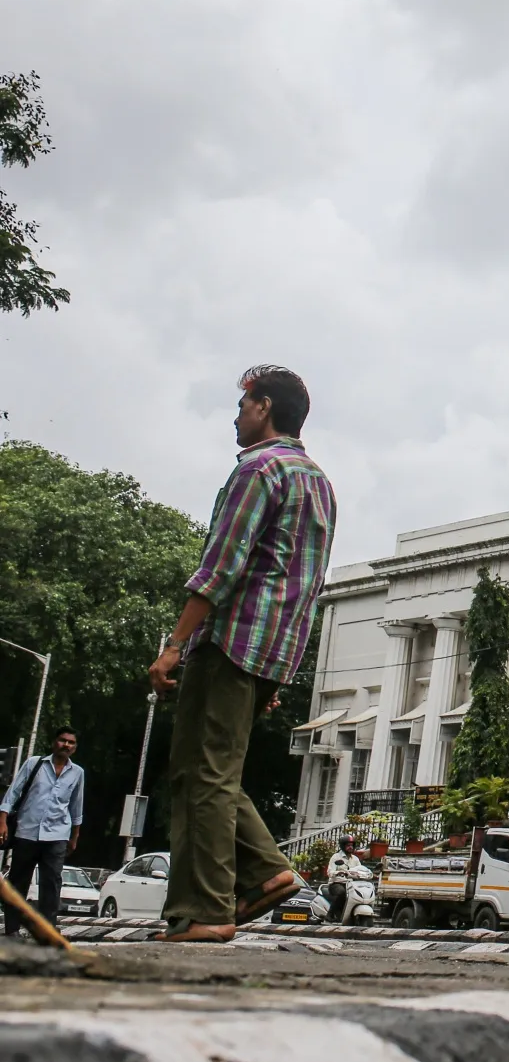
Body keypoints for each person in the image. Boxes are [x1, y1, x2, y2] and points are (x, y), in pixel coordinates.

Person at [147, 366, 336, 942]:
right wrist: (278, 673)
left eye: (243, 405)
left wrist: (175, 644)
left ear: (265, 407)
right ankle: (265, 871)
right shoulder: (319, 481)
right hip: (274, 650)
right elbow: (305, 581)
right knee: (211, 771)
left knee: (201, 775)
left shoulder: (260, 469)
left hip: (230, 642)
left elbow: (221, 567)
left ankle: (204, 910)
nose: (236, 415)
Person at [0, 728, 85, 936]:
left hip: (57, 835)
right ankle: (12, 929)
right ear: (54, 742)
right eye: (63, 740)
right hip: (27, 832)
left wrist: (74, 837)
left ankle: (47, 930)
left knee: (52, 883)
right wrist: (2, 821)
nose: (66, 745)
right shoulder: (34, 764)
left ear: (74, 748)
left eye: (71, 743)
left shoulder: (77, 773)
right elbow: (13, 793)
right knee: (19, 882)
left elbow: (76, 807)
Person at [323, 836, 369, 921]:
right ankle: (330, 914)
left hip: (351, 884)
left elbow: (360, 869)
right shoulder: (336, 857)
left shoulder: (355, 859)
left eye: (352, 845)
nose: (350, 847)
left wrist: (367, 873)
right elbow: (329, 872)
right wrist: (339, 872)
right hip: (336, 883)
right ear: (343, 846)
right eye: (348, 845)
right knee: (341, 892)